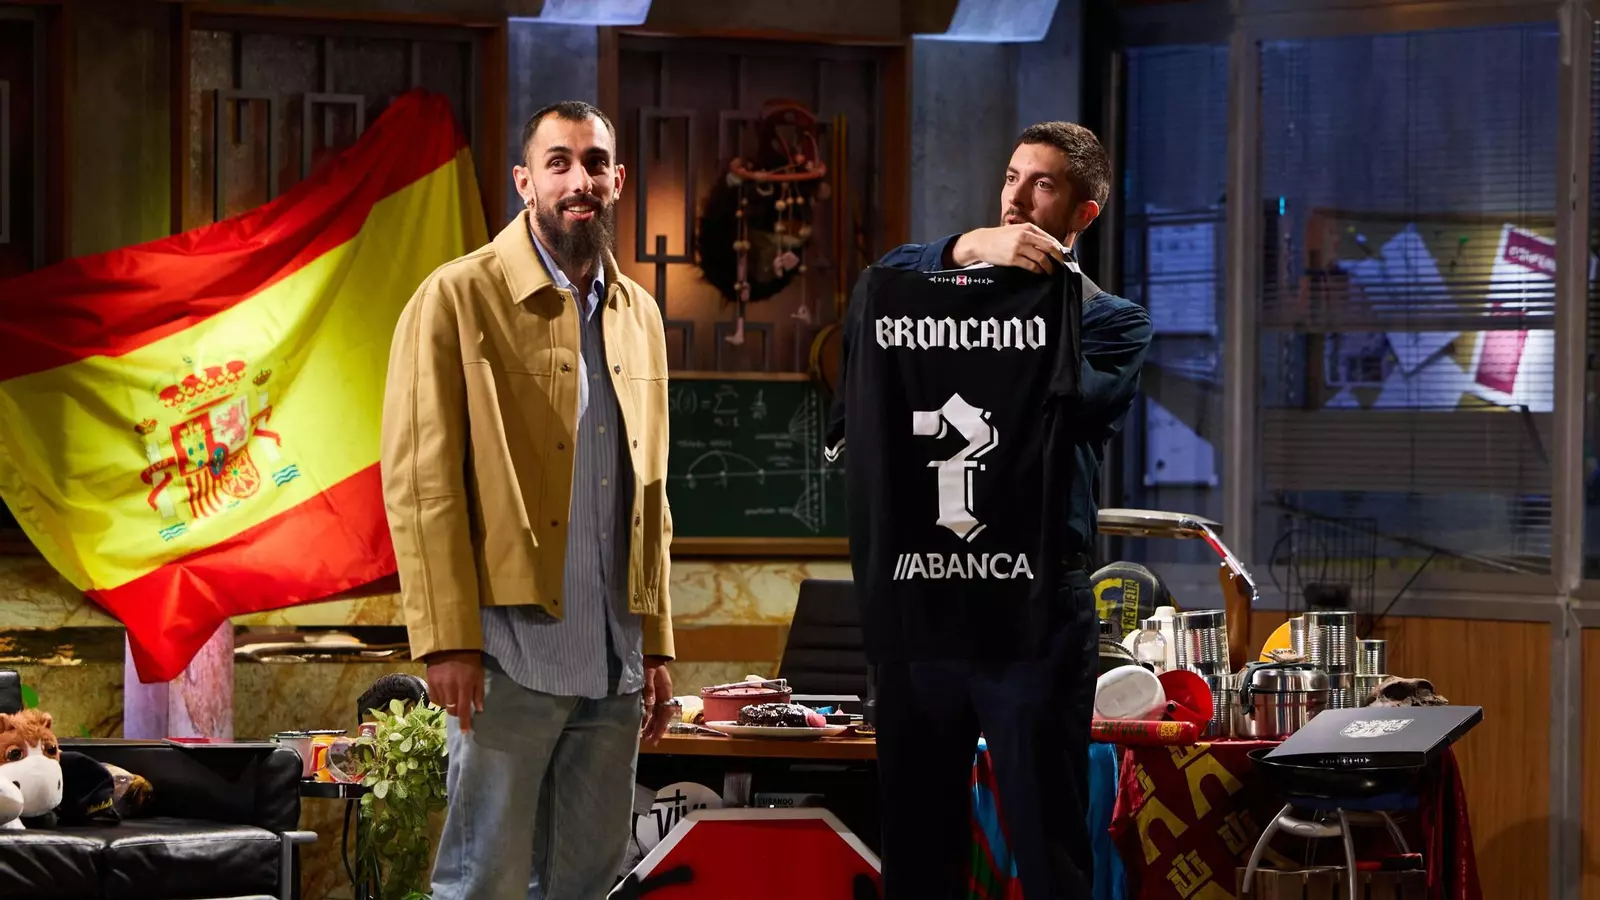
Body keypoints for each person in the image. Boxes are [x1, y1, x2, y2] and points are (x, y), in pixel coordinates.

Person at [380, 100, 677, 900]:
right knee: (486, 882)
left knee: (586, 882)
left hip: (614, 655)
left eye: (595, 163)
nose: (580, 180)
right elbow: (422, 484)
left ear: (618, 180)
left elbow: (653, 492)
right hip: (506, 653)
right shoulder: (455, 297)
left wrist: (655, 642)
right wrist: (447, 641)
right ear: (524, 181)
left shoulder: (640, 314)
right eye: (559, 163)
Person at [871, 121, 1152, 899]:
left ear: (1084, 213)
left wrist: (1019, 289)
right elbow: (878, 285)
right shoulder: (931, 287)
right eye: (1011, 178)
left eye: (1043, 184)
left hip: (1034, 608)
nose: (1017, 199)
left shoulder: (1112, 322)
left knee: (1048, 846)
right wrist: (968, 251)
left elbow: (1061, 397)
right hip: (928, 595)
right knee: (917, 852)